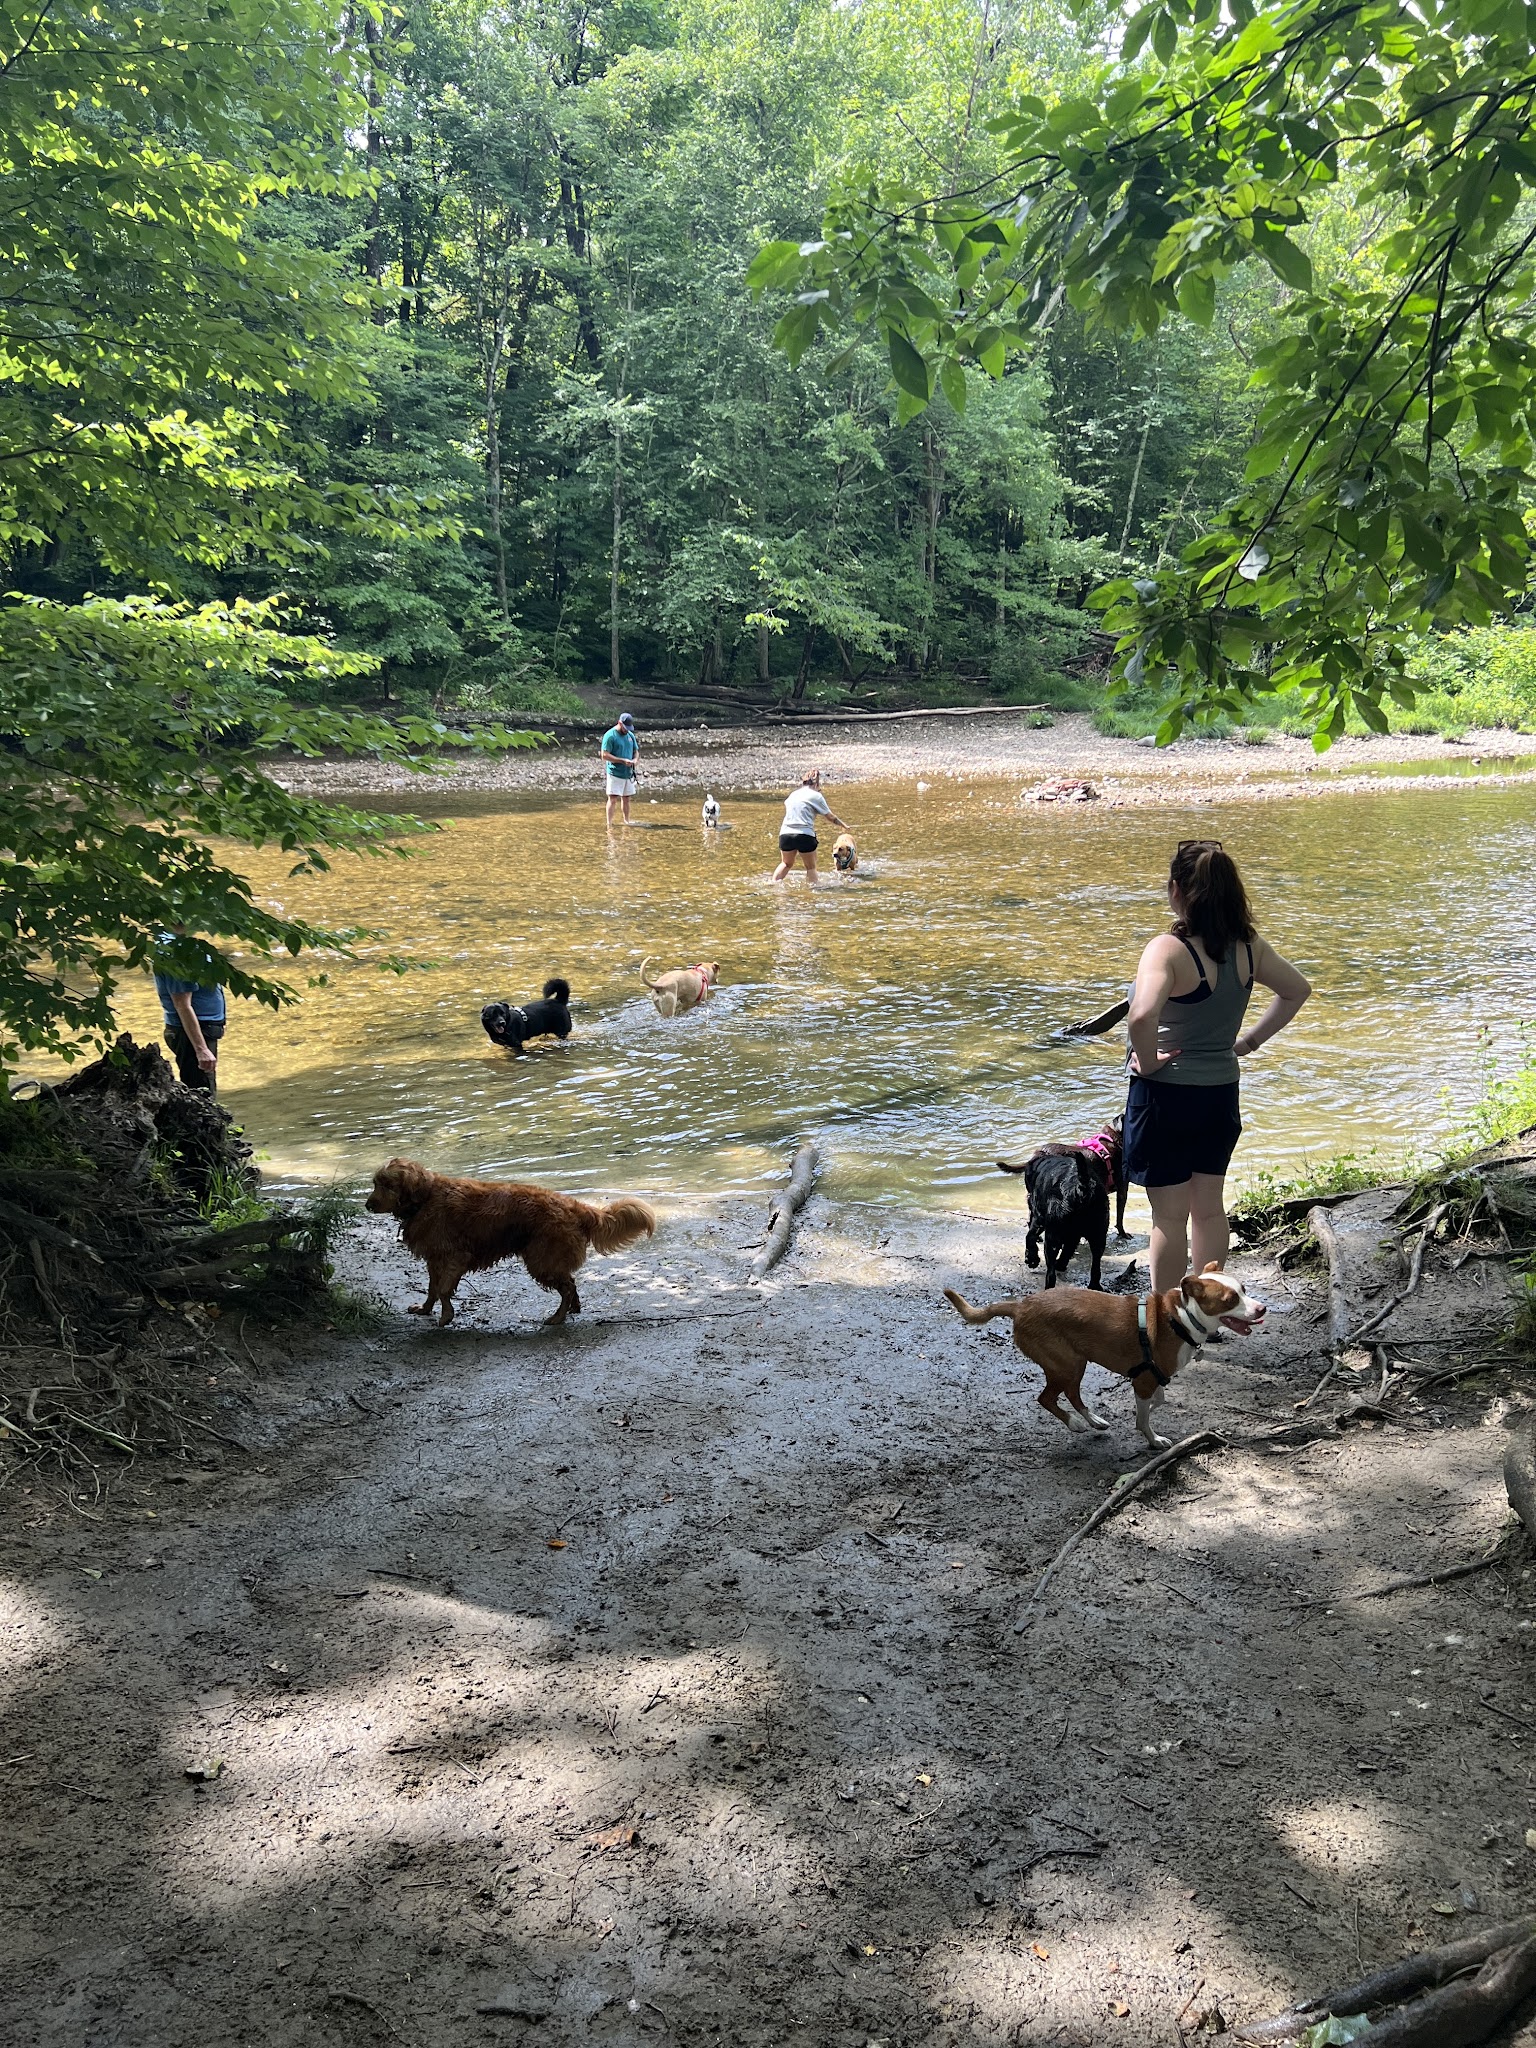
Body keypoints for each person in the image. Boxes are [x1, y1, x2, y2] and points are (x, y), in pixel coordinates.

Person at [1124, 840, 1311, 1291]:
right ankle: (1210, 1310)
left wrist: (1148, 1062)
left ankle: (1167, 1319)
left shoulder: (1167, 950)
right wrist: (1248, 1042)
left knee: (1168, 1217)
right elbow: (1296, 991)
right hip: (1220, 1094)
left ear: (1176, 890)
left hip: (1164, 1096)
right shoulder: (1249, 948)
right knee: (1209, 1208)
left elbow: (1142, 1015)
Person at [152, 935, 227, 1093]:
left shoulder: (183, 944)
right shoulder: (177, 952)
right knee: (202, 1095)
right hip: (191, 1032)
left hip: (201, 1029)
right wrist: (201, 1049)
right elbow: (182, 1005)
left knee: (203, 1089)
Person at [772, 769, 850, 887]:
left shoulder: (793, 794)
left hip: (785, 834)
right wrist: (843, 825)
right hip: (804, 834)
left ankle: (773, 885)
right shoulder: (816, 796)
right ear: (816, 784)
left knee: (786, 863)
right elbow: (830, 816)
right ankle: (812, 894)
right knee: (811, 867)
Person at [601, 711, 638, 824]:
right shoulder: (610, 736)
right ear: (619, 723)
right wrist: (622, 761)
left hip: (628, 773)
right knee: (613, 798)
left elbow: (636, 751)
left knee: (626, 798)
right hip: (614, 772)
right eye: (625, 727)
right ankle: (609, 823)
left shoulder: (630, 736)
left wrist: (635, 760)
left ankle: (626, 821)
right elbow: (604, 755)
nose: (627, 730)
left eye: (629, 728)